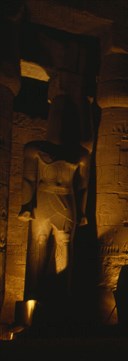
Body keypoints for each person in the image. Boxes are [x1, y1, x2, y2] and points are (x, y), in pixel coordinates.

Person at [18, 98, 90, 301]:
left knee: (64, 243)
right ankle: (34, 290)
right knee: (39, 243)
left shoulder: (81, 154)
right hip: (43, 198)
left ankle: (62, 291)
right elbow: (28, 179)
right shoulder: (34, 149)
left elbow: (83, 186)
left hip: (67, 199)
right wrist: (26, 204)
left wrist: (83, 212)